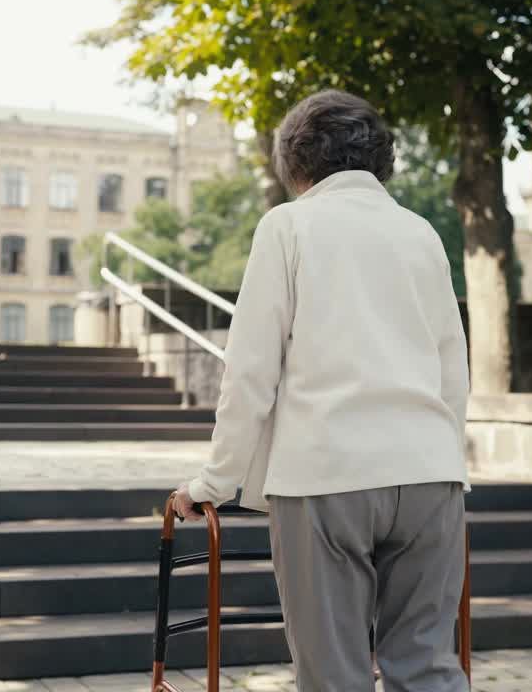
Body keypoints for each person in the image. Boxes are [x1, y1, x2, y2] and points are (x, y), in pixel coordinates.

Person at [171, 90, 470, 691]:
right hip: (430, 477)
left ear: (295, 163)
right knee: (429, 667)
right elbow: (451, 369)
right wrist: (442, 452)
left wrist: (216, 481)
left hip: (326, 475)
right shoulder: (421, 234)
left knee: (333, 676)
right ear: (381, 160)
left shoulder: (287, 226)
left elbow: (251, 371)